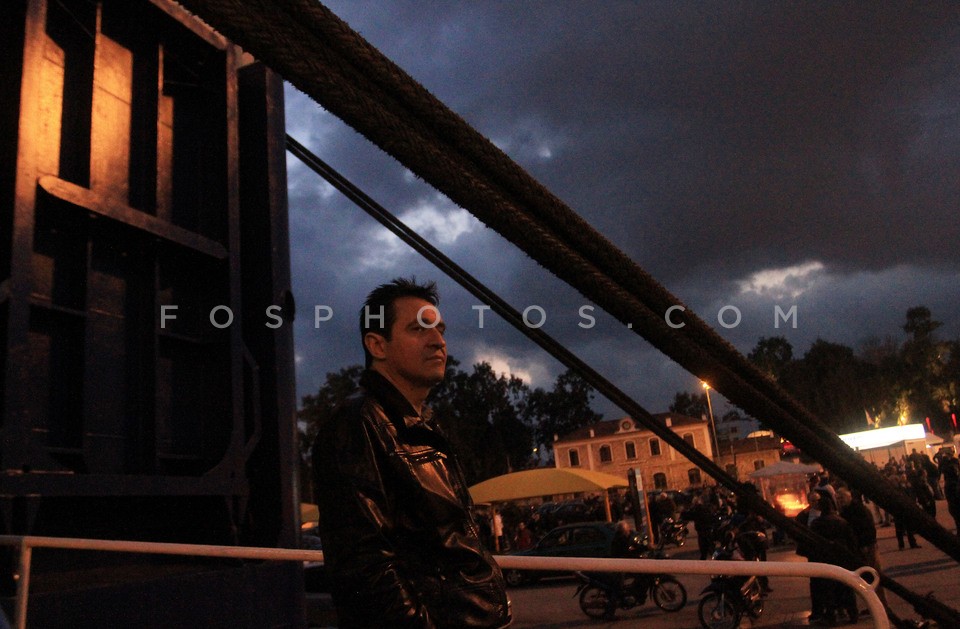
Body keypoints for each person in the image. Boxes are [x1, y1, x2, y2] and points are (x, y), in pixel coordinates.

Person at [312, 279, 511, 628]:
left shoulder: (421, 427)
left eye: (440, 329)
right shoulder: (357, 425)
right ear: (377, 344)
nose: (438, 341)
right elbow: (365, 566)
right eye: (419, 329)